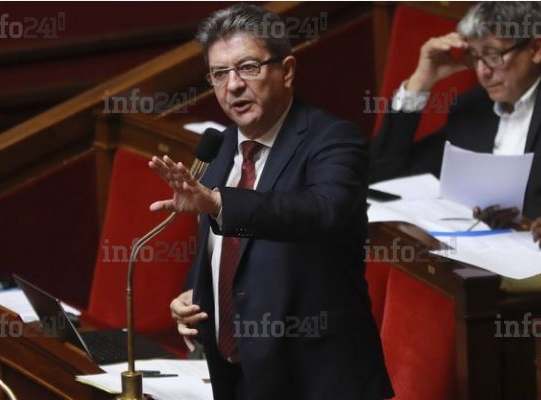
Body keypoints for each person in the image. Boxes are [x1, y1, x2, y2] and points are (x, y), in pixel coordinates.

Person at [148, 5, 393, 400]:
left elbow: (322, 212)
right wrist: (194, 294)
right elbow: (221, 250)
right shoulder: (223, 145)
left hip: (315, 382)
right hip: (236, 377)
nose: (233, 85)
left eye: (248, 67)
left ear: (287, 70)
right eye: (219, 73)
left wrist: (218, 203)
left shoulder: (333, 139)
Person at [370, 1, 541, 247]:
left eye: (493, 56)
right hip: (470, 257)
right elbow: (385, 176)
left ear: (536, 48)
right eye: (475, 57)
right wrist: (420, 83)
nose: (483, 72)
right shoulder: (471, 109)